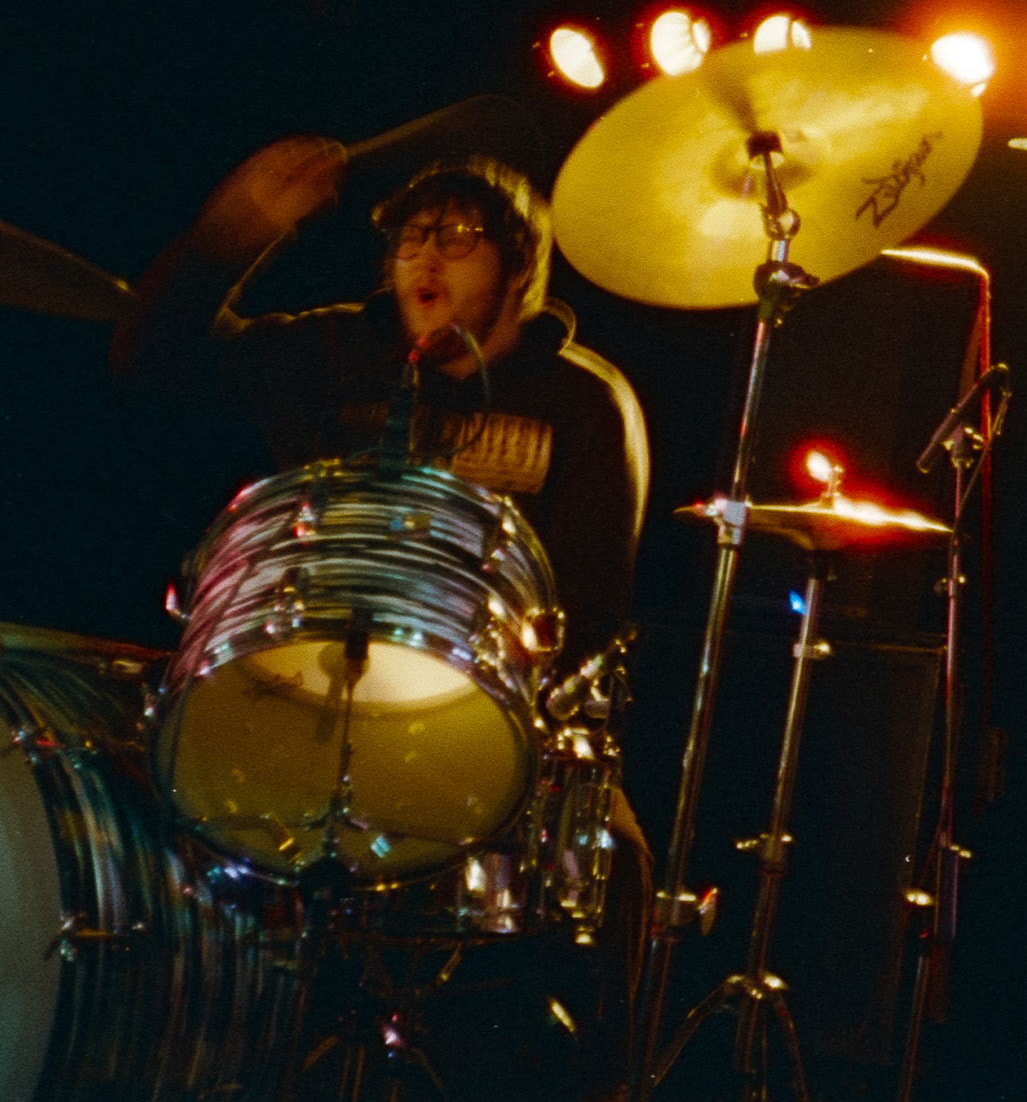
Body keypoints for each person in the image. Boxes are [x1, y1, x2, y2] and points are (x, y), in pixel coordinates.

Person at [114, 137, 653, 1096]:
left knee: (619, 864)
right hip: (300, 697)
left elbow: (595, 602)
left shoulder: (581, 401)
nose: (425, 258)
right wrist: (228, 238)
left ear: (520, 268)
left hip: (491, 719)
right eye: (410, 237)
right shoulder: (328, 350)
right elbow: (146, 355)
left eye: (459, 238)